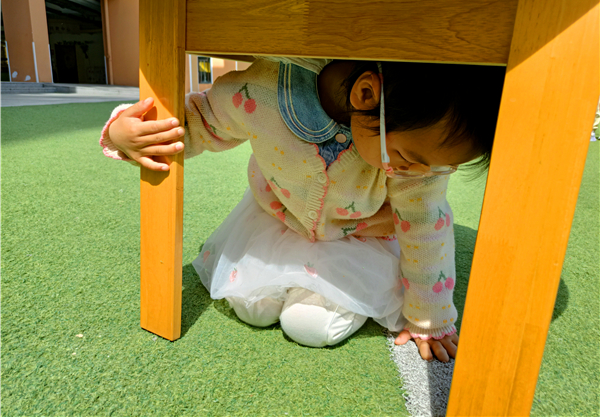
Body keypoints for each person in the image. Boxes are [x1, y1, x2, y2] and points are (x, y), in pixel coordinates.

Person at [100, 57, 506, 363]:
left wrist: (429, 317)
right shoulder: (262, 92)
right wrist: (123, 134)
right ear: (366, 95)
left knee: (309, 325)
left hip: (359, 238)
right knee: (252, 306)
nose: (417, 174)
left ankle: (315, 290)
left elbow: (424, 222)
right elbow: (194, 122)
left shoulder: (418, 164)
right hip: (279, 220)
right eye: (406, 158)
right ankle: (293, 282)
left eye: (437, 168)